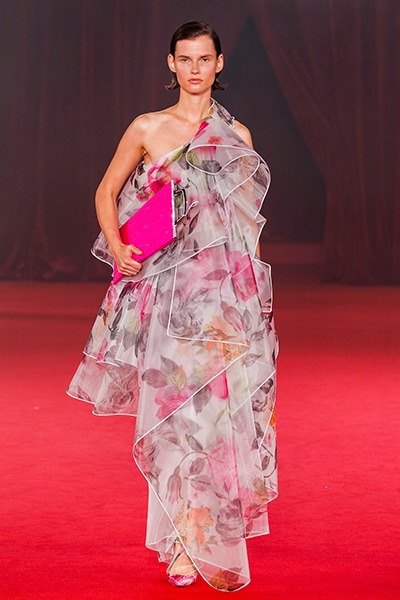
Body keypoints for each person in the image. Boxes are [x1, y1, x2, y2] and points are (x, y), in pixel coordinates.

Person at [68, 21, 278, 592]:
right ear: (171, 64)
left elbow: (246, 226)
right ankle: (182, 537)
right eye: (184, 59)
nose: (194, 68)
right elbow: (106, 190)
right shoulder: (148, 127)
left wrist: (255, 300)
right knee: (176, 415)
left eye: (203, 59)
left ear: (219, 63)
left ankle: (193, 538)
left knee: (214, 417)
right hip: (165, 294)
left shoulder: (236, 135)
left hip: (219, 300)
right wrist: (117, 246)